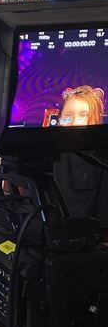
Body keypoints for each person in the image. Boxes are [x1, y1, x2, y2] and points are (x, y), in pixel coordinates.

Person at [54, 85, 108, 225]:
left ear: (96, 119)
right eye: (68, 116)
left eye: (83, 115)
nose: (74, 121)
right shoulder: (48, 154)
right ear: (60, 119)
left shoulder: (101, 157)